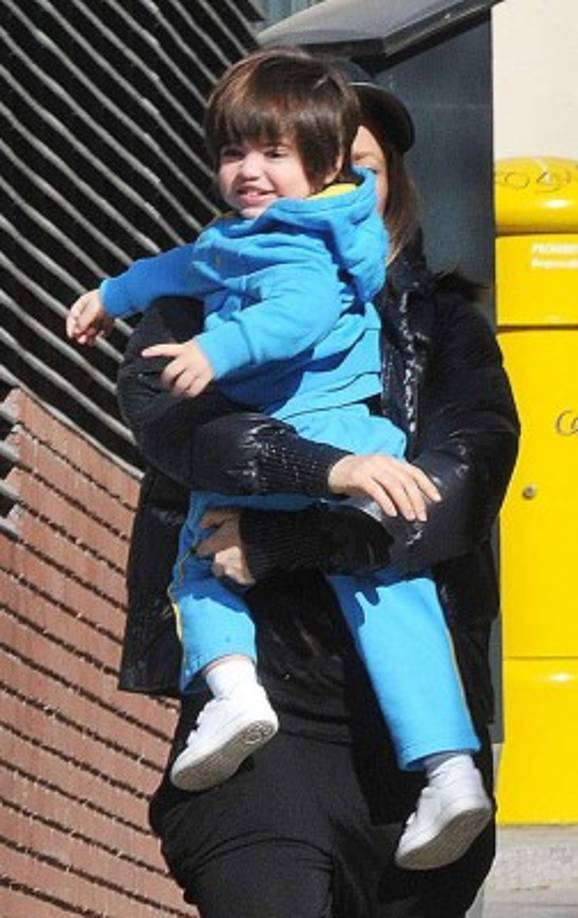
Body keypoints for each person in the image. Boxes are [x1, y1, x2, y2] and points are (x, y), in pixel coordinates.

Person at [74, 60, 519, 917]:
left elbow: (462, 481)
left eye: (362, 166)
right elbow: (185, 438)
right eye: (244, 152)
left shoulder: (448, 328)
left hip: (414, 737)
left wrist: (286, 541)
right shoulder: (197, 313)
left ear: (380, 187)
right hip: (269, 727)